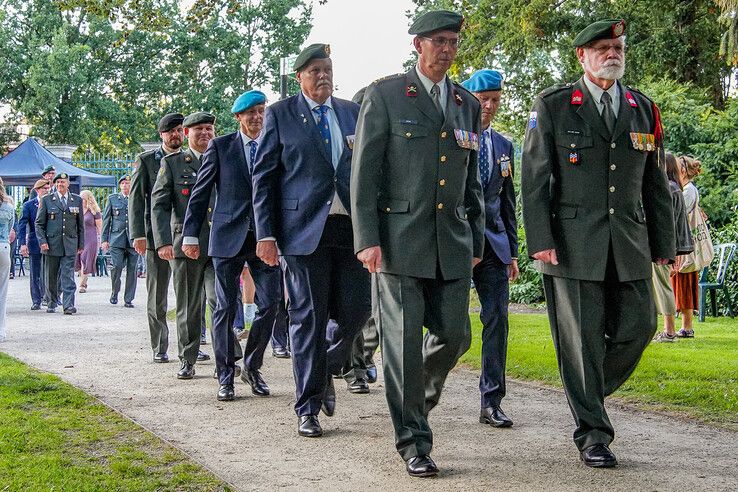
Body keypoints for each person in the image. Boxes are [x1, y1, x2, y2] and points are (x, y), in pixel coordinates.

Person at [521, 19, 675, 468]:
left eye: (618, 46)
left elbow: (654, 183)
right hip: (571, 244)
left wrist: (664, 243)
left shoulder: (642, 108)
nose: (613, 52)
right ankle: (594, 435)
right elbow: (534, 178)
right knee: (583, 340)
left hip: (629, 241)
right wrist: (540, 240)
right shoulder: (553, 105)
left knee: (641, 325)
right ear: (581, 56)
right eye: (603, 47)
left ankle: (585, 390)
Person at [351, 10, 485, 477]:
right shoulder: (386, 95)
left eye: (452, 42)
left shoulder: (466, 103)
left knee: (456, 335)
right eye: (438, 42)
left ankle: (413, 402)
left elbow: (472, 181)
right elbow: (364, 172)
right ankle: (414, 442)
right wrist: (366, 238)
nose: (447, 49)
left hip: (451, 240)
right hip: (398, 241)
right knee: (404, 346)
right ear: (418, 46)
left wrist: (476, 235)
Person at [253, 44, 371, 438]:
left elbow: (366, 172)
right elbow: (264, 177)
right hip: (302, 234)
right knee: (308, 318)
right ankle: (307, 406)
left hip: (349, 229)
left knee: (357, 312)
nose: (323, 76)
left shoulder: (352, 113)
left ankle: (326, 365)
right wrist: (267, 234)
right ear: (300, 76)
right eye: (315, 70)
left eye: (328, 69)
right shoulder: (281, 114)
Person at [183, 92, 281, 401]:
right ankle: (225, 374)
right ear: (238, 117)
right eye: (250, 112)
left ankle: (252, 366)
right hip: (226, 237)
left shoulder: (274, 143)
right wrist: (190, 235)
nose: (257, 117)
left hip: (265, 239)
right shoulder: (221, 146)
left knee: (271, 303)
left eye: (261, 110)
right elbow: (200, 192)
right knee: (224, 307)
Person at [461, 68, 519, 428]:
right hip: (456, 241)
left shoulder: (504, 146)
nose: (489, 106)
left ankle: (491, 400)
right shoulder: (453, 139)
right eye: (483, 99)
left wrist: (512, 251)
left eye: (495, 100)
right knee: (448, 325)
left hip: (495, 245)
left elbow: (508, 202)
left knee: (497, 319)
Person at [151, 112, 218, 380]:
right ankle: (187, 358)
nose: (205, 133)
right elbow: (159, 205)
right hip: (185, 245)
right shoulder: (173, 163)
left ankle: (224, 358)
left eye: (209, 128)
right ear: (187, 133)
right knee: (189, 306)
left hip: (218, 244)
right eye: (198, 129)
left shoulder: (222, 158)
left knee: (219, 301)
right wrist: (163, 242)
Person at [129, 113, 183, 363]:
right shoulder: (147, 160)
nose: (176, 135)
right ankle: (159, 346)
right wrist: (138, 234)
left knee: (187, 296)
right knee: (157, 296)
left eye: (180, 130)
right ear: (162, 134)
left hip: (183, 237)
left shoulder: (188, 159)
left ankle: (189, 346)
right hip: (155, 238)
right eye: (171, 131)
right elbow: (137, 201)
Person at [652, 152, 694, 342]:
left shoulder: (669, 188)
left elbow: (668, 222)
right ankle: (666, 329)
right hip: (666, 245)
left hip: (662, 245)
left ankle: (669, 331)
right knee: (661, 286)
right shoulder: (675, 188)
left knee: (662, 286)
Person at [35, 173, 86, 315]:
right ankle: (51, 302)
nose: (60, 184)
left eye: (62, 182)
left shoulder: (76, 200)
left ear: (68, 184)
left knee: (68, 275)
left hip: (70, 244)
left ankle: (68, 305)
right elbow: (39, 224)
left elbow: (80, 224)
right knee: (51, 275)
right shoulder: (47, 200)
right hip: (51, 244)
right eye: (57, 182)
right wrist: (42, 241)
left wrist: (81, 244)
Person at [671, 155, 703, 338]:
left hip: (684, 244)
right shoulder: (688, 189)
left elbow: (679, 212)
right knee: (682, 284)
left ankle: (687, 327)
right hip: (685, 243)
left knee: (684, 285)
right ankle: (686, 327)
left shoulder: (688, 190)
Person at [101, 175, 137, 308]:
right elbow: (106, 220)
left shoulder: (137, 198)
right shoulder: (113, 199)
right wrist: (104, 239)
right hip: (117, 239)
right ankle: (114, 292)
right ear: (120, 185)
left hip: (133, 240)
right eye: (123, 183)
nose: (126, 185)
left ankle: (128, 298)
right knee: (116, 267)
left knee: (132, 270)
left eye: (128, 183)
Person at [18, 179, 51, 310]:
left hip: (50, 242)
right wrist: (22, 243)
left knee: (49, 272)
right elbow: (22, 225)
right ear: (37, 190)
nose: (47, 191)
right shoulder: (29, 205)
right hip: (34, 241)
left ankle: (49, 297)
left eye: (48, 188)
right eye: (44, 189)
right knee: (35, 272)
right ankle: (36, 300)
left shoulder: (53, 203)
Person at [78, 190, 102, 293]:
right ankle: (84, 279)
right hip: (79, 238)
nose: (81, 201)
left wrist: (101, 240)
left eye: (83, 199)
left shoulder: (94, 211)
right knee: (78, 261)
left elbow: (100, 227)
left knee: (86, 260)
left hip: (91, 238)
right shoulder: (77, 210)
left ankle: (82, 285)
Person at [0, 177, 15, 342]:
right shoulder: (8, 206)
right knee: (2, 292)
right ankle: (1, 330)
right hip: (3, 247)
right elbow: (10, 228)